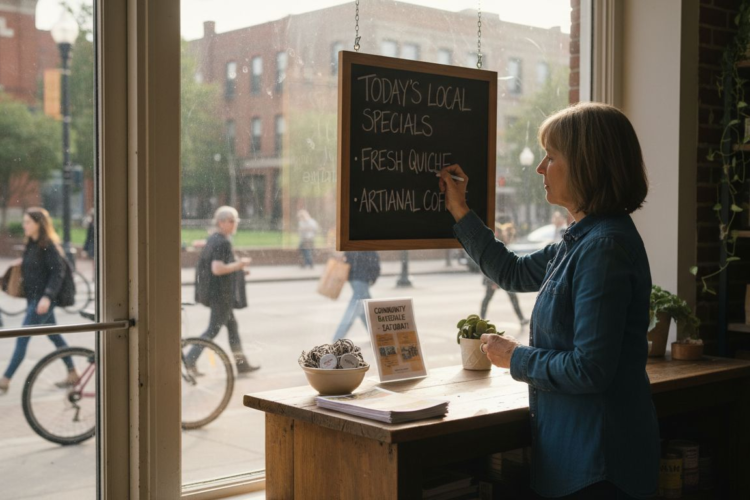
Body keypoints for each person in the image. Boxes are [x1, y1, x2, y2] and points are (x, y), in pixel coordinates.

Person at [439, 102, 659, 499]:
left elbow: (589, 368)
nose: (540, 168)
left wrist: (514, 357)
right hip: (580, 457)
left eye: (551, 156)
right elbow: (513, 272)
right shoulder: (582, 239)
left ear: (586, 164)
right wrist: (460, 209)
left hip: (598, 464)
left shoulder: (603, 247)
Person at [0, 207, 77, 394]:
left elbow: (57, 273)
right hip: (34, 299)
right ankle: (73, 372)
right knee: (54, 335)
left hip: (42, 302)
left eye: (28, 222)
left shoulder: (48, 245)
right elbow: (33, 267)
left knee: (22, 338)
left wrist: (47, 297)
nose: (24, 225)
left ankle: (5, 379)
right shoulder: (32, 244)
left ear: (38, 224)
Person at [189, 206, 260, 376]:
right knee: (212, 330)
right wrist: (240, 264)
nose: (235, 224)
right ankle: (190, 359)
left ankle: (241, 365)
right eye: (231, 220)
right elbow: (218, 269)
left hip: (217, 294)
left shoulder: (214, 238)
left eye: (236, 220)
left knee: (232, 328)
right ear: (221, 223)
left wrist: (238, 269)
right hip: (222, 295)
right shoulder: (223, 242)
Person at [480, 222, 528, 325]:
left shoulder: (500, 241)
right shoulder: (493, 243)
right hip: (492, 276)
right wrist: (493, 280)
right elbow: (488, 263)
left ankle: (521, 319)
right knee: (488, 298)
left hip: (502, 276)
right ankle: (481, 319)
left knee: (512, 297)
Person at [332, 251, 380, 342]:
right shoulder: (368, 245)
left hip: (353, 278)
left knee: (366, 309)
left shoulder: (354, 243)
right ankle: (337, 338)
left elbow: (348, 257)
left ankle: (376, 336)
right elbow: (374, 263)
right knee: (354, 309)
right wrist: (373, 278)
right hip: (362, 279)